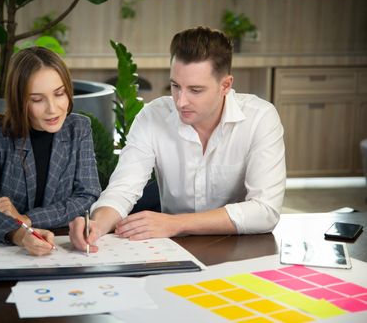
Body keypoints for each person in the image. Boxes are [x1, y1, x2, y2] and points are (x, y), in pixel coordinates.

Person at [70, 26, 286, 252]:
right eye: (175, 86)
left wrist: (177, 223)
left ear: (225, 85)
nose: (181, 102)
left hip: (241, 249)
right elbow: (122, 189)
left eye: (195, 90)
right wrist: (96, 225)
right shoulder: (152, 117)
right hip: (172, 248)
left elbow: (265, 211)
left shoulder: (260, 118)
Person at [0, 47, 101, 256]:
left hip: (63, 249)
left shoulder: (79, 128)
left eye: (59, 93)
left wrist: (26, 219)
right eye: (37, 99)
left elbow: (87, 196)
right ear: (20, 100)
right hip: (6, 253)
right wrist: (20, 234)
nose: (53, 109)